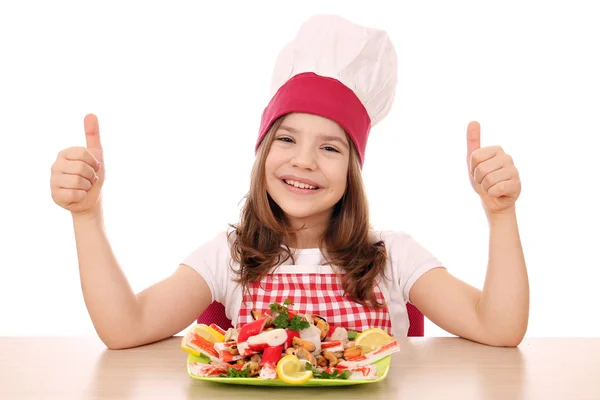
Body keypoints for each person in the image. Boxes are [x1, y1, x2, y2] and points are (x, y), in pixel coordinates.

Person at [49, 15, 529, 350]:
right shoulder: (228, 255)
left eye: (329, 147)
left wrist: (501, 214)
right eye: (287, 139)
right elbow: (125, 327)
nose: (303, 162)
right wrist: (87, 215)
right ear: (262, 153)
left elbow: (499, 327)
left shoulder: (393, 255)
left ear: (353, 171)